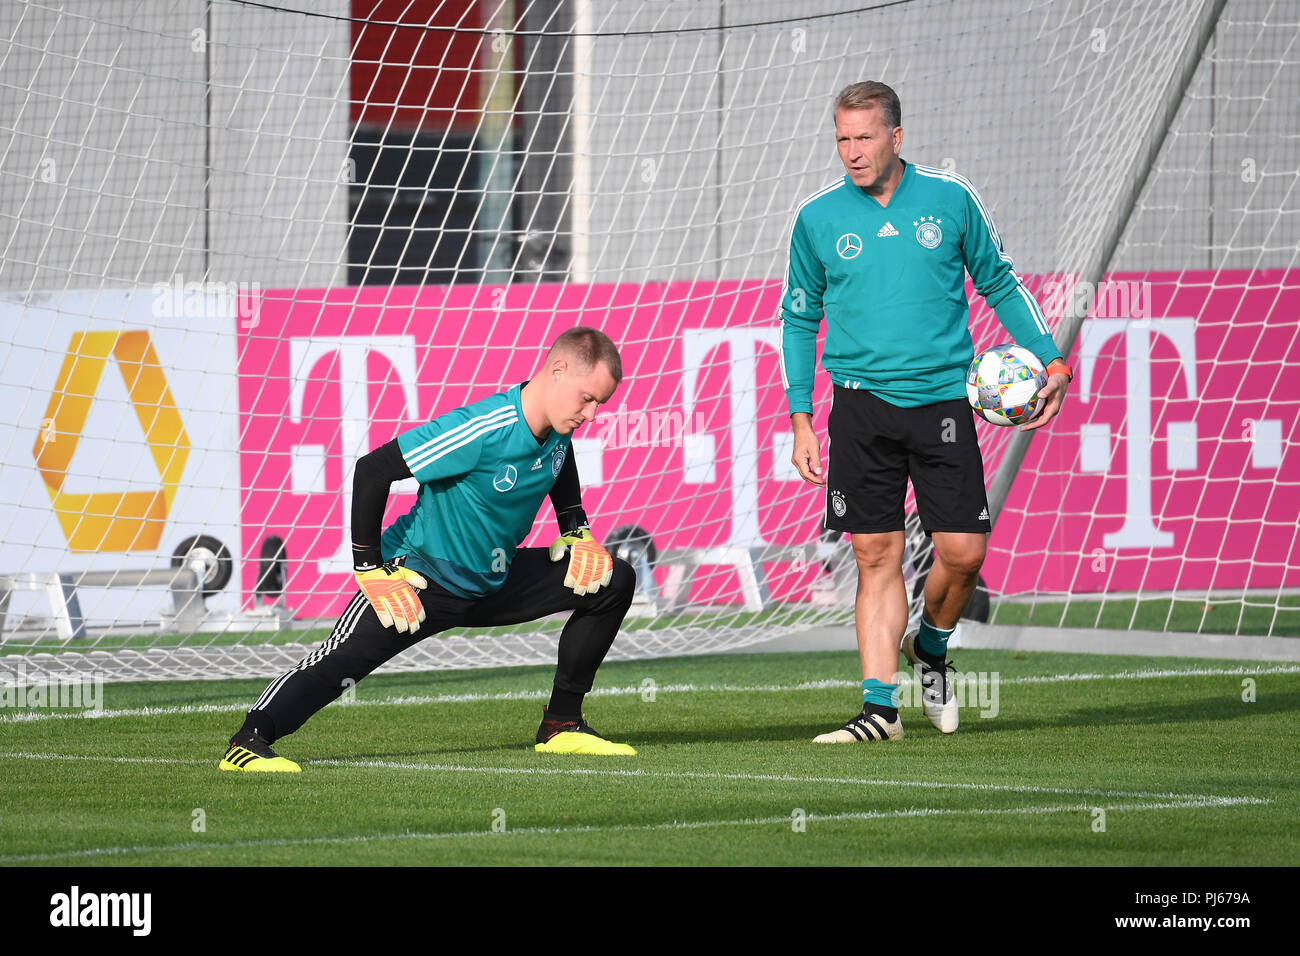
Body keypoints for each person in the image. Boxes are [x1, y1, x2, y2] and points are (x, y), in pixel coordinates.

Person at [780, 81, 1072, 743]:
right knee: (876, 554)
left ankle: (931, 648)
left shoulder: (950, 198)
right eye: (842, 139)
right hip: (858, 407)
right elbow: (799, 320)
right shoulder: (818, 219)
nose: (852, 152)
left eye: (864, 137)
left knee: (963, 554)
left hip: (943, 402)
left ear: (896, 137)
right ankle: (879, 710)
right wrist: (801, 417)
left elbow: (998, 279)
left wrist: (1050, 361)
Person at [220, 327, 638, 771]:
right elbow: (374, 470)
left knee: (612, 580)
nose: (591, 415)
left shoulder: (557, 426)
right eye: (588, 398)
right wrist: (370, 568)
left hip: (492, 580)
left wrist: (575, 527)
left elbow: (558, 458)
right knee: (338, 664)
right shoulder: (481, 427)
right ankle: (248, 741)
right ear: (558, 370)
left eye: (600, 404)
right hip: (419, 580)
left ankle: (561, 725)